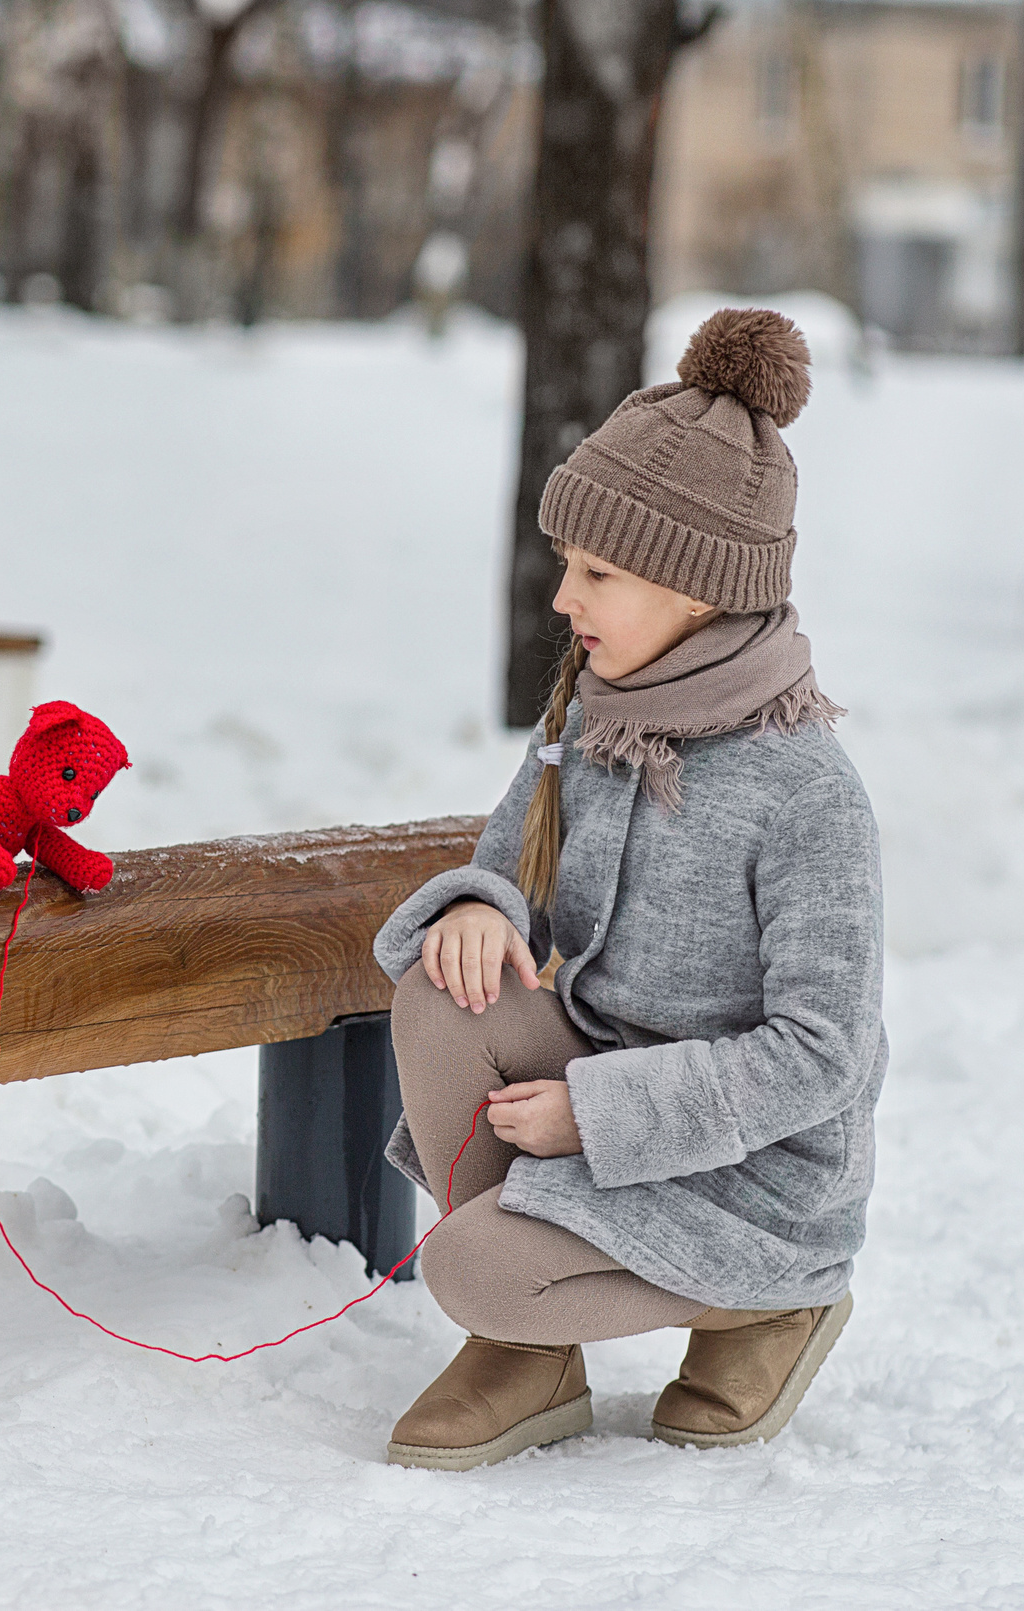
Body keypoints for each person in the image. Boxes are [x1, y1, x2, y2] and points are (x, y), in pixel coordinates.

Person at [374, 307, 885, 1472]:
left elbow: (820, 1056)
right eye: (568, 562)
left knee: (463, 1265)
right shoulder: (594, 720)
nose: (565, 597)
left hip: (750, 1180)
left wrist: (597, 1120)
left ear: (699, 592)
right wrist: (475, 908)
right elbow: (510, 878)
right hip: (603, 1097)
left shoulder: (806, 796)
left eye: (597, 571)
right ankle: (529, 1349)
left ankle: (767, 1305)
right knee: (438, 992)